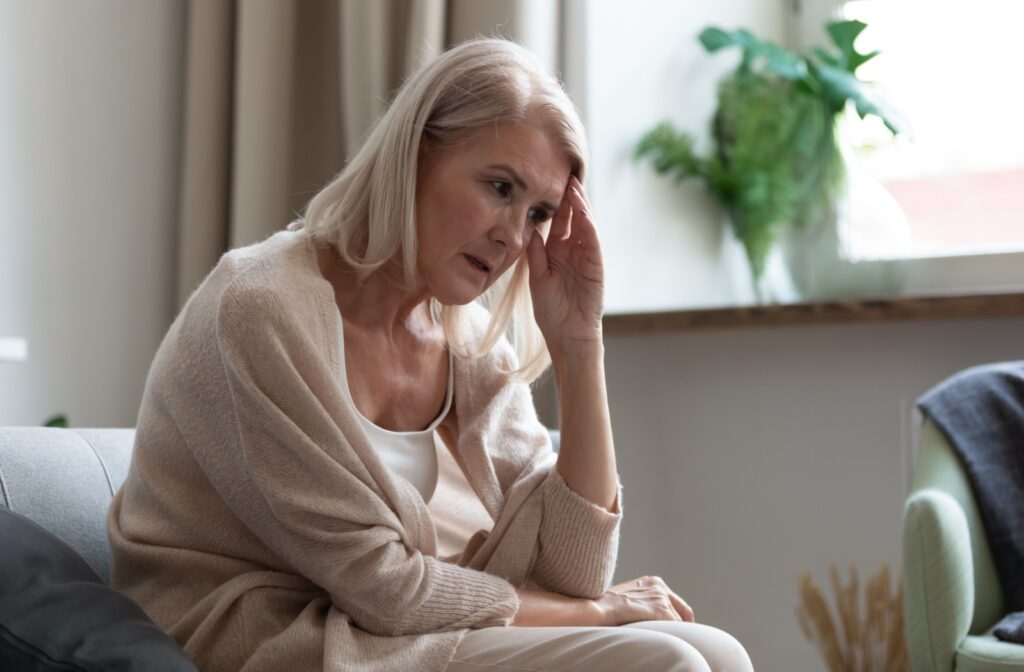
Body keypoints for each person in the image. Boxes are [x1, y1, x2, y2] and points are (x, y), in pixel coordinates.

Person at [107, 37, 754, 672]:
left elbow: (575, 572)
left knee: (720, 653)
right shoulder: (259, 307)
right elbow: (384, 588)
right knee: (669, 660)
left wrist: (580, 343)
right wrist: (598, 614)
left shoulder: (466, 342)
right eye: (500, 187)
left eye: (539, 213)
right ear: (415, 156)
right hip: (279, 638)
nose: (511, 236)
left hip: (386, 630)